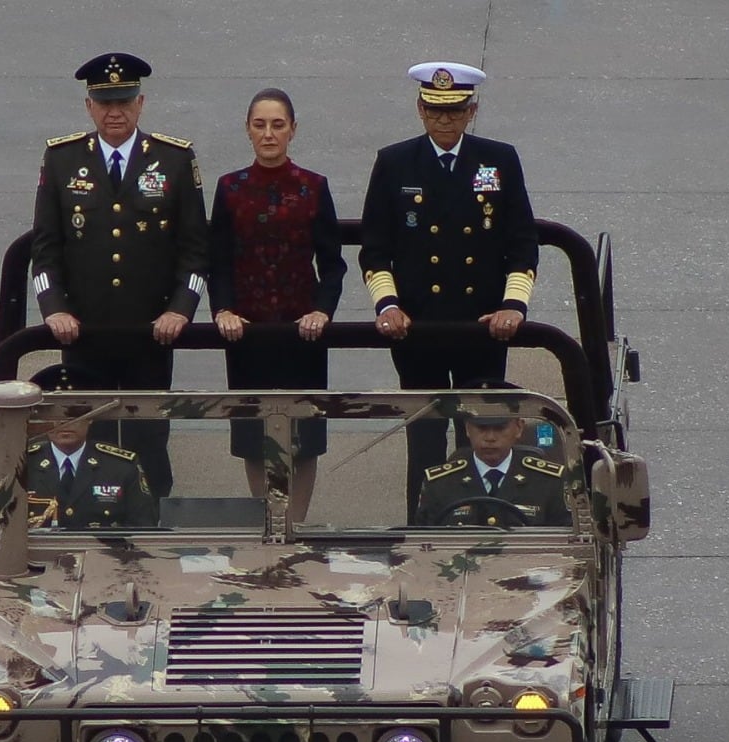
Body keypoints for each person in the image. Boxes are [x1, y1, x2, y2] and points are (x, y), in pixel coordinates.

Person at [359, 61, 539, 523]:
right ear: (420, 109)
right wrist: (388, 304)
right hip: (419, 330)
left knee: (481, 433)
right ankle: (422, 530)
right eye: (436, 111)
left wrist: (513, 305)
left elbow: (522, 245)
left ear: (471, 110)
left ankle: (483, 526)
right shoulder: (395, 162)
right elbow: (375, 251)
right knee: (424, 437)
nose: (445, 121)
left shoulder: (499, 160)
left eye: (455, 111)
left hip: (482, 329)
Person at [30, 52, 208, 500]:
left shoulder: (174, 160)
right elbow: (45, 251)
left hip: (151, 335)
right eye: (105, 102)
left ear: (141, 103)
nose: (115, 112)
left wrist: (180, 310)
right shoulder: (62, 160)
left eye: (124, 101)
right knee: (87, 433)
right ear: (89, 106)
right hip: (83, 335)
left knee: (148, 438)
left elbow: (195, 253)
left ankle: (153, 526)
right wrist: (54, 310)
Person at [209, 87, 346, 523]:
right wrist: (223, 310)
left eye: (278, 125)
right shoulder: (229, 188)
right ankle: (266, 521)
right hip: (247, 333)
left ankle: (297, 526)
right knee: (254, 435)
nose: (269, 134)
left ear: (293, 130)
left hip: (301, 332)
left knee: (303, 435)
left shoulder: (313, 187)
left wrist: (322, 311)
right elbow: (219, 261)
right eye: (260, 125)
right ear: (248, 131)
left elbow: (332, 263)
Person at [413, 383, 570, 527]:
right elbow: (423, 546)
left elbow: (567, 545)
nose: (490, 438)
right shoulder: (440, 484)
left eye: (499, 428)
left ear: (518, 428)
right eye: (481, 428)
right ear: (467, 428)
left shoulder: (549, 482)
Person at [25, 364, 158, 529]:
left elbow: (143, 528)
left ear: (91, 417)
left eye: (74, 413)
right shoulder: (22, 466)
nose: (64, 421)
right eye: (53, 413)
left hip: (105, 554)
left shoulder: (120, 467)